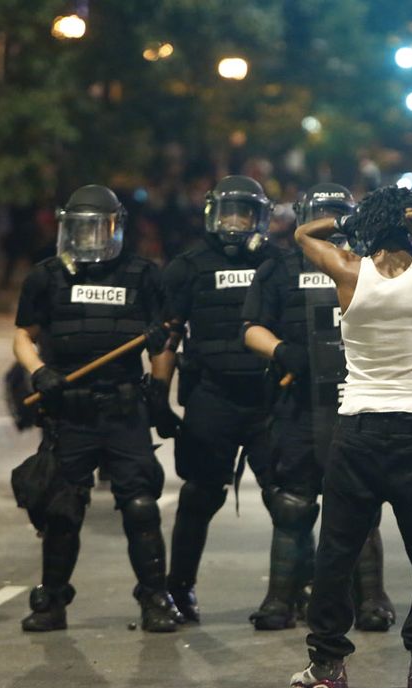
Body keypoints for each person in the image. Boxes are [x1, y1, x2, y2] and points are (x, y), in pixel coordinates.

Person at [288, 186, 412, 688]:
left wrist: (353, 219)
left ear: (369, 230)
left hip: (356, 432)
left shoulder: (349, 272)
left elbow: (302, 231)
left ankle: (327, 666)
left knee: (336, 552)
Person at [12, 184, 179, 633]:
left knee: (141, 505)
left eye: (98, 229)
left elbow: (163, 340)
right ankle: (52, 601)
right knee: (62, 509)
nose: (89, 238)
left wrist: (160, 390)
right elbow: (24, 335)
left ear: (116, 227)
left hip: (124, 409)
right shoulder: (46, 276)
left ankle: (155, 599)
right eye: (80, 229)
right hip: (70, 410)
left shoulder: (144, 275)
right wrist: (37, 372)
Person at [241, 183, 395, 632]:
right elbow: (251, 327)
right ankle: (279, 599)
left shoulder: (371, 268)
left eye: (336, 216)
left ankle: (371, 598)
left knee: (361, 506)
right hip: (299, 404)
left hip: (356, 403)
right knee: (293, 505)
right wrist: (281, 352)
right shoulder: (278, 268)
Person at [157, 175, 277, 623]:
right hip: (211, 396)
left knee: (286, 498)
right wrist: (158, 394)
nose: (234, 222)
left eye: (243, 213)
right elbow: (168, 336)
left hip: (269, 398)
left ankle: (289, 591)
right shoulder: (186, 268)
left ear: (259, 218)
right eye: (227, 212)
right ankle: (178, 589)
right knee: (199, 496)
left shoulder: (277, 263)